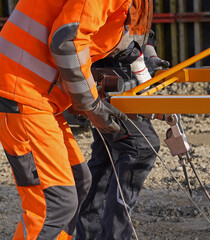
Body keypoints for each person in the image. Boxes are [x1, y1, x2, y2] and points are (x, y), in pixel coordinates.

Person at [0, 1, 134, 239]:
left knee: (77, 182)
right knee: (55, 203)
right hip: (18, 89)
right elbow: (66, 41)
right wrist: (92, 106)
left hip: (35, 93)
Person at [75, 1, 170, 239]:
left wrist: (148, 54)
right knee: (141, 148)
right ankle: (112, 235)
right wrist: (135, 59)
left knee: (108, 155)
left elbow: (139, 28)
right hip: (110, 67)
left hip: (121, 67)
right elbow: (100, 27)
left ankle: (88, 233)